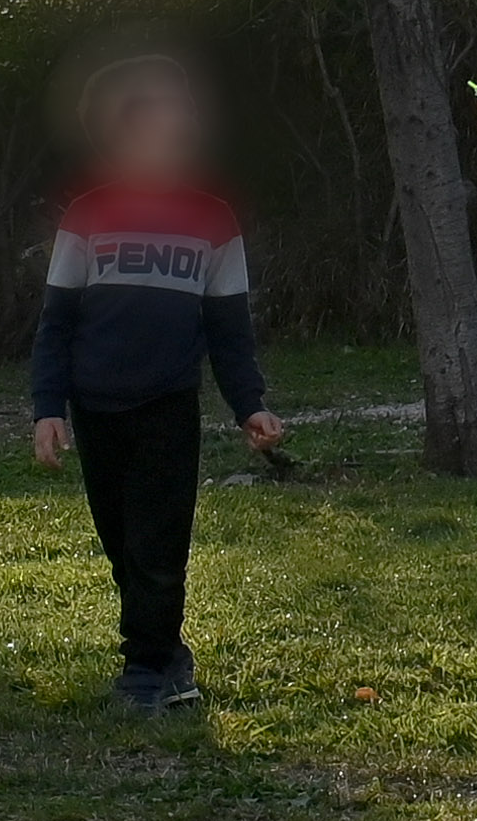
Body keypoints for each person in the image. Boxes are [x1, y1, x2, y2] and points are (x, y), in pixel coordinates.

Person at [27, 53, 286, 717]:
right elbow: (55, 324)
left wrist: (248, 406)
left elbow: (229, 332)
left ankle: (145, 667)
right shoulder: (86, 216)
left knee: (157, 541)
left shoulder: (213, 220)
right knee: (122, 543)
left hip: (167, 404)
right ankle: (168, 654)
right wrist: (47, 409)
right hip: (94, 403)